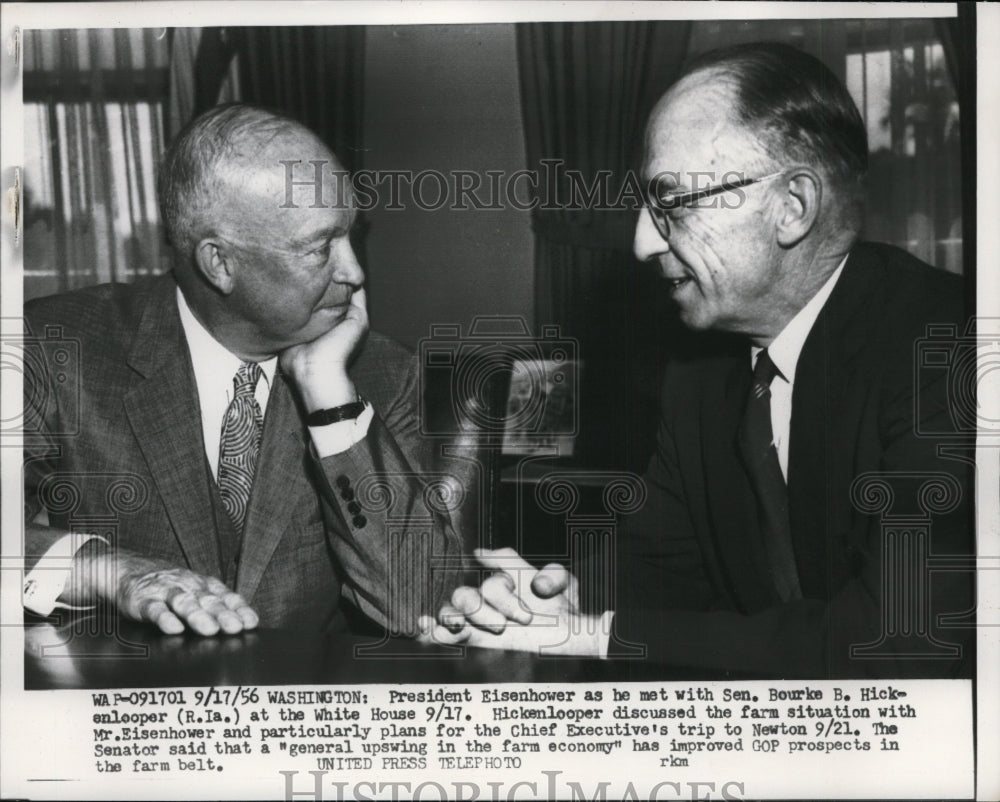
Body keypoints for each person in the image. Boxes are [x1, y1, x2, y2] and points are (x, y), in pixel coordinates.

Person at [422, 43, 973, 678]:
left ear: (792, 207)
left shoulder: (956, 350)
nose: (641, 242)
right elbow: (656, 573)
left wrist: (595, 635)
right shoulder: (700, 375)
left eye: (672, 205)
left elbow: (901, 642)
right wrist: (560, 603)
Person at [22, 103, 462, 637]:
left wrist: (330, 399)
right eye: (321, 247)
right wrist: (107, 571)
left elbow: (422, 604)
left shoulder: (381, 373)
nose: (354, 271)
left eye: (352, 235)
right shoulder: (52, 347)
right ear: (220, 263)